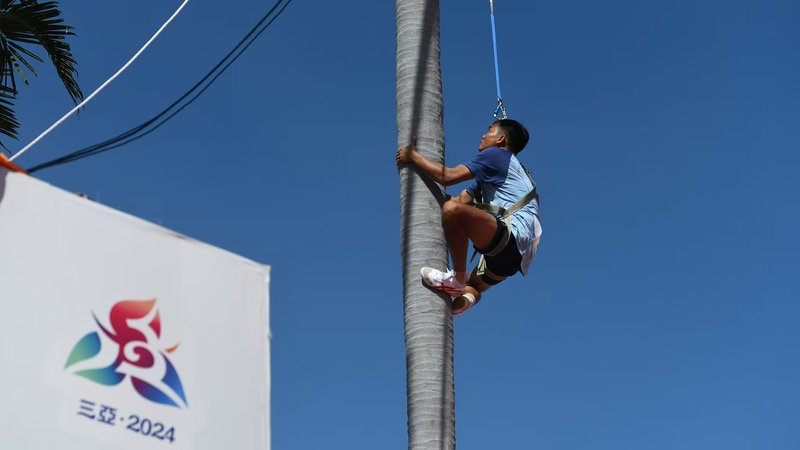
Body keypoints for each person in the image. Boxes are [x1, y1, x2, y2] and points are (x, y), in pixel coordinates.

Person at [395, 119, 542, 314]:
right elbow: (460, 201)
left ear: (501, 139)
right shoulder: (504, 172)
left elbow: (447, 177)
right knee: (472, 286)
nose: (483, 136)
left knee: (451, 211)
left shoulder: (495, 155)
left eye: (489, 131)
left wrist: (413, 157)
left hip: (510, 239)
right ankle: (467, 299)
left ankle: (456, 279)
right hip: (515, 260)